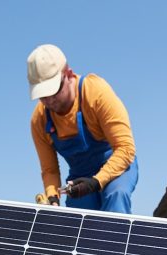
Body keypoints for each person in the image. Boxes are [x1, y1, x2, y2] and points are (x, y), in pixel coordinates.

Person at [27, 44, 138, 213]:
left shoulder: (95, 93)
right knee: (79, 220)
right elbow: (49, 170)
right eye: (42, 96)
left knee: (116, 195)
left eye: (53, 91)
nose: (49, 100)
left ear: (69, 75)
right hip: (80, 177)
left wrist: (95, 182)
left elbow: (125, 148)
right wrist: (52, 197)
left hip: (117, 165)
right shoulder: (39, 120)